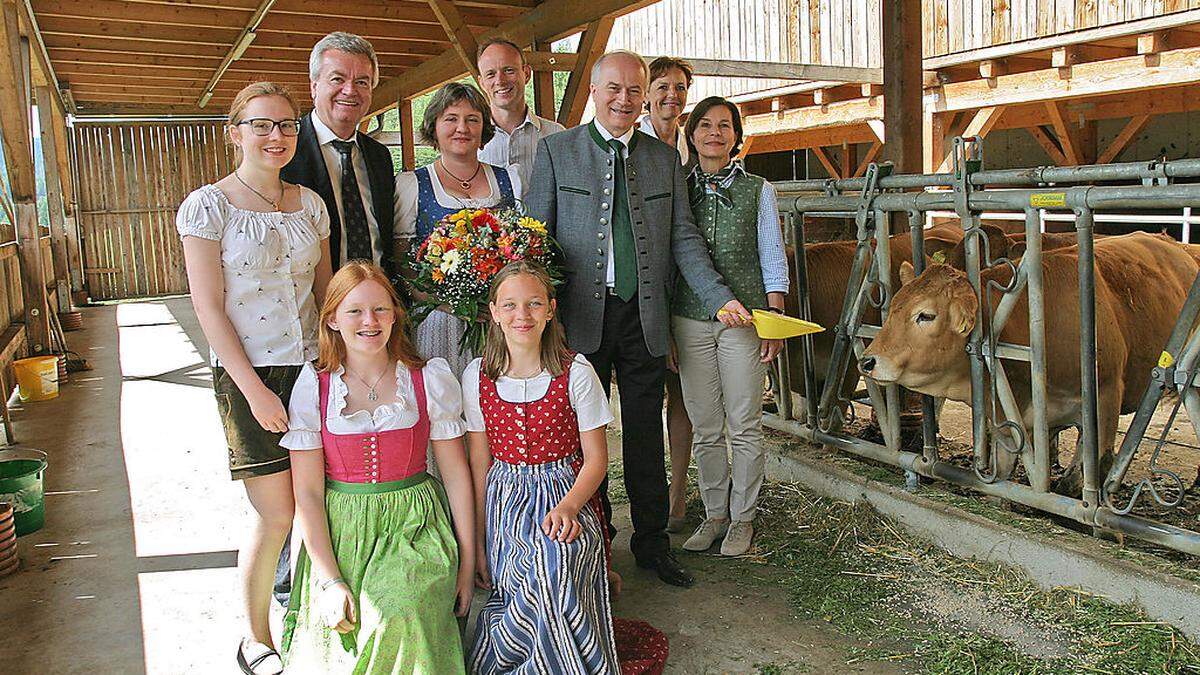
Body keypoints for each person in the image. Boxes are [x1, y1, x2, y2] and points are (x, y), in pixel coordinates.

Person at [525, 50, 752, 588]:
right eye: (613, 89)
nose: (624, 100)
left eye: (634, 90)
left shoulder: (663, 158)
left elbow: (683, 238)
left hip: (644, 316)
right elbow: (534, 239)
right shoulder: (559, 151)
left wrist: (718, 296)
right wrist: (534, 317)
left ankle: (651, 543)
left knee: (646, 435)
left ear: (645, 94)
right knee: (582, 437)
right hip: (577, 319)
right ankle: (594, 546)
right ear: (595, 92)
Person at [177, 81, 333, 675]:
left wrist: (338, 364)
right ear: (236, 131)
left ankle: (316, 616)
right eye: (263, 124)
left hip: (311, 368)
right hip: (252, 372)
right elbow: (209, 307)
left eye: (288, 125)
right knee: (277, 513)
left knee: (319, 499)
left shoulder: (310, 204)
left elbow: (325, 295)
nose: (277, 136)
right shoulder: (208, 206)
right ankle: (256, 638)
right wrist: (255, 390)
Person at [464, 262, 668, 674]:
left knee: (554, 560)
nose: (522, 315)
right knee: (528, 568)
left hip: (566, 492)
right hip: (504, 500)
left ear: (551, 309)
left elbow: (596, 460)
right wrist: (481, 538)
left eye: (534, 303)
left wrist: (571, 507)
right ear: (494, 312)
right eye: (511, 305)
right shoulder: (477, 376)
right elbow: (479, 463)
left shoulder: (575, 372)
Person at [280, 262, 474, 673]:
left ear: (395, 316)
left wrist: (469, 559)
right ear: (332, 319)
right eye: (355, 311)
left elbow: (456, 476)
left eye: (381, 310)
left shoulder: (427, 379)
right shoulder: (314, 387)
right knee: (349, 625)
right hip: (341, 531)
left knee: (397, 612)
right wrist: (329, 579)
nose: (370, 321)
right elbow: (309, 496)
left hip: (416, 526)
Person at [674, 97, 787, 557]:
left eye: (724, 126)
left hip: (745, 318)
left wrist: (775, 320)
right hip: (688, 317)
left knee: (744, 422)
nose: (714, 133)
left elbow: (772, 254)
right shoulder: (678, 187)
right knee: (704, 424)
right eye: (705, 125)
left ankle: (743, 518)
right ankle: (714, 513)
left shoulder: (758, 189)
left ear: (736, 136)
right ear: (692, 133)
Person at [395, 82, 520, 378]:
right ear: (434, 126)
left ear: (483, 128)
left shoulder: (510, 180)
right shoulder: (413, 185)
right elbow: (403, 265)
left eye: (472, 119)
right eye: (451, 118)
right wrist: (453, 306)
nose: (461, 128)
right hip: (439, 320)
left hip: (502, 319)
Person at [282, 32, 396, 276]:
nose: (350, 90)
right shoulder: (286, 151)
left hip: (377, 298)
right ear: (314, 86)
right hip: (311, 299)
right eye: (337, 79)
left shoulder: (379, 156)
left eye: (362, 82)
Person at [640, 56, 695, 533]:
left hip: (684, 285)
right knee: (644, 398)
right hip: (644, 286)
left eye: (679, 87)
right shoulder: (629, 144)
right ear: (645, 92)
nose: (671, 95)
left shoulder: (694, 145)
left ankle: (677, 495)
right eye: (662, 86)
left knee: (681, 395)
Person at [475, 37, 565, 197]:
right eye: (490, 74)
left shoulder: (557, 136)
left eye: (509, 70)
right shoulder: (469, 137)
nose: (500, 81)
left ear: (527, 74)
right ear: (481, 83)